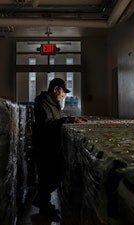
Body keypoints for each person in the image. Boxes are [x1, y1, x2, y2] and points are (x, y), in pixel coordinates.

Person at [32, 78, 86, 217]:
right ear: (56, 89)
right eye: (62, 92)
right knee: (47, 178)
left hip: (53, 146)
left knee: (53, 176)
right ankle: (43, 207)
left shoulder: (54, 104)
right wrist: (69, 120)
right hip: (45, 147)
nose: (63, 95)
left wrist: (70, 120)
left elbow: (57, 121)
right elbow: (48, 124)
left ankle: (43, 203)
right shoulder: (43, 104)